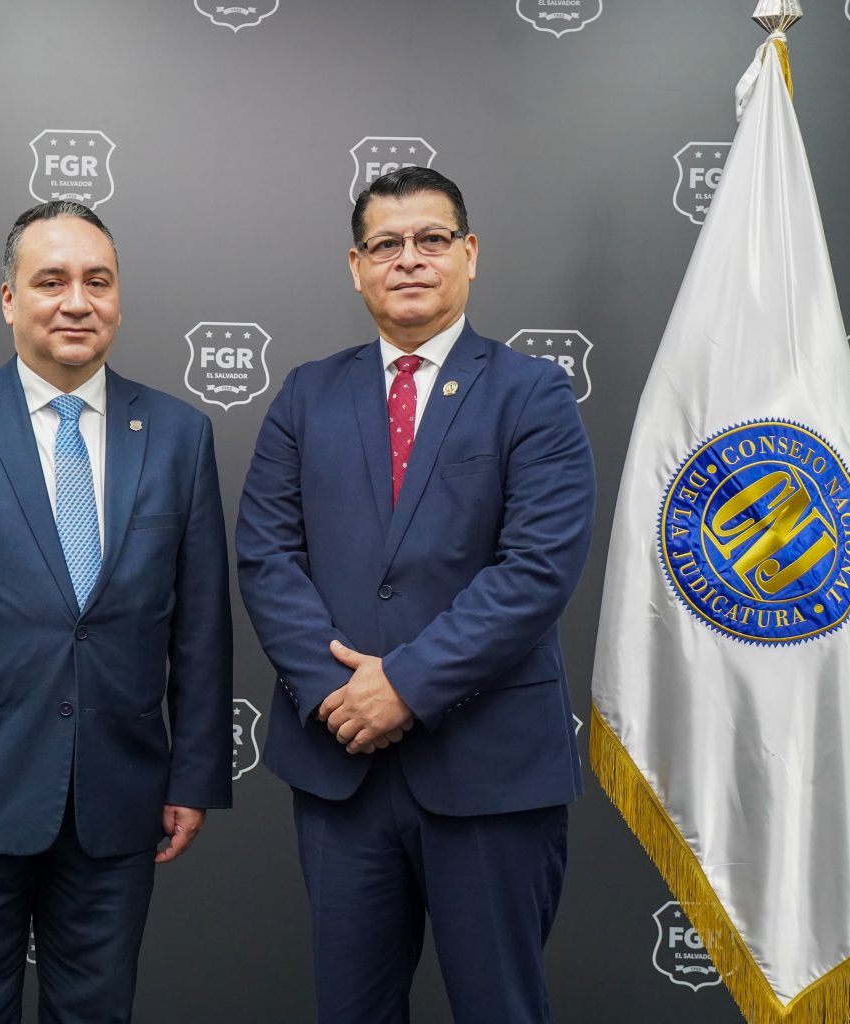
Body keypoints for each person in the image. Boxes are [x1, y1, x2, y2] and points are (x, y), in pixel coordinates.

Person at [0, 201, 232, 1024]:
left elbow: (202, 631)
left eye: (98, 281)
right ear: (9, 299)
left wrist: (194, 776)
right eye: (51, 281)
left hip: (118, 795)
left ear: (119, 296)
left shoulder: (179, 435)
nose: (76, 302)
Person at [235, 166, 595, 1023]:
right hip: (341, 768)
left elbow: (537, 569)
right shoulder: (307, 394)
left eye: (431, 240)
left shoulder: (534, 393)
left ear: (469, 254)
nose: (409, 259)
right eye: (386, 244)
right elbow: (266, 555)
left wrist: (403, 685)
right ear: (356, 267)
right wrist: (340, 697)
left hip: (490, 769)